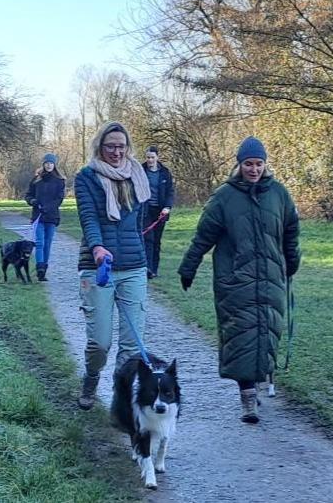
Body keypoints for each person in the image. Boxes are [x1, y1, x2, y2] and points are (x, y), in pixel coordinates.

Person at [179, 136, 300, 424]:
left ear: (265, 165)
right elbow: (203, 236)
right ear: (239, 165)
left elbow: (291, 230)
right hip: (235, 280)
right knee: (240, 337)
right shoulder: (224, 197)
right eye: (248, 164)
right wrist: (189, 266)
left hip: (271, 277)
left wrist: (292, 261)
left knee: (267, 332)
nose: (254, 169)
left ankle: (256, 386)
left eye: (258, 164)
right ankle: (247, 398)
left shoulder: (279, 194)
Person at [74, 122, 153, 410]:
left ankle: (121, 400)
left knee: (132, 345)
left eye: (121, 146)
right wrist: (96, 247)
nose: (117, 152)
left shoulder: (138, 176)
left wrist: (148, 260)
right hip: (98, 268)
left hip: (133, 267)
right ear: (100, 147)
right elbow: (89, 217)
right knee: (100, 343)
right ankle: (92, 376)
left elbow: (141, 223)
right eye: (111, 146)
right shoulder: (86, 177)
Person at [24, 154, 66, 282]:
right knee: (40, 243)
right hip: (38, 216)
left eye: (51, 163)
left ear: (54, 165)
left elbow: (59, 199)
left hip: (51, 216)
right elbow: (28, 195)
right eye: (46, 163)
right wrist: (33, 201)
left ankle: (44, 269)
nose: (49, 165)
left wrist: (47, 207)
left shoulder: (59, 181)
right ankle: (40, 269)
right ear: (43, 164)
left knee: (47, 243)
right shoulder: (36, 180)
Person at [142, 146, 176, 279]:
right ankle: (147, 268)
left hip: (160, 211)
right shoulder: (141, 170)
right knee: (148, 239)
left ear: (157, 157)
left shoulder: (165, 172)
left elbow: (170, 192)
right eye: (148, 157)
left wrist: (167, 207)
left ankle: (154, 269)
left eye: (152, 157)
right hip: (146, 210)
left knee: (156, 240)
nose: (150, 160)